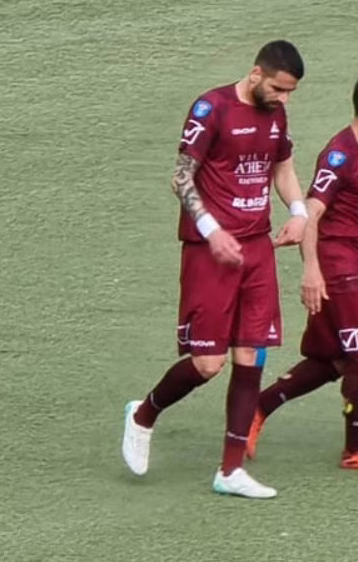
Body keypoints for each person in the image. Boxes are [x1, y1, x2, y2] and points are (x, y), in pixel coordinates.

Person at [120, 41, 309, 499]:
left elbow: (282, 167)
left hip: (256, 247)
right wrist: (211, 229)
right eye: (279, 89)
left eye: (290, 92)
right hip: (210, 251)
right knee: (207, 363)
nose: (284, 99)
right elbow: (180, 176)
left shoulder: (276, 114)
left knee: (251, 354)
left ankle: (230, 470)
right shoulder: (212, 108)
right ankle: (143, 415)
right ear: (256, 74)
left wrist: (300, 212)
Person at [244, 69, 358, 472]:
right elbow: (312, 213)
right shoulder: (340, 154)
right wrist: (312, 272)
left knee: (334, 359)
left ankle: (257, 408)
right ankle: (356, 448)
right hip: (340, 265)